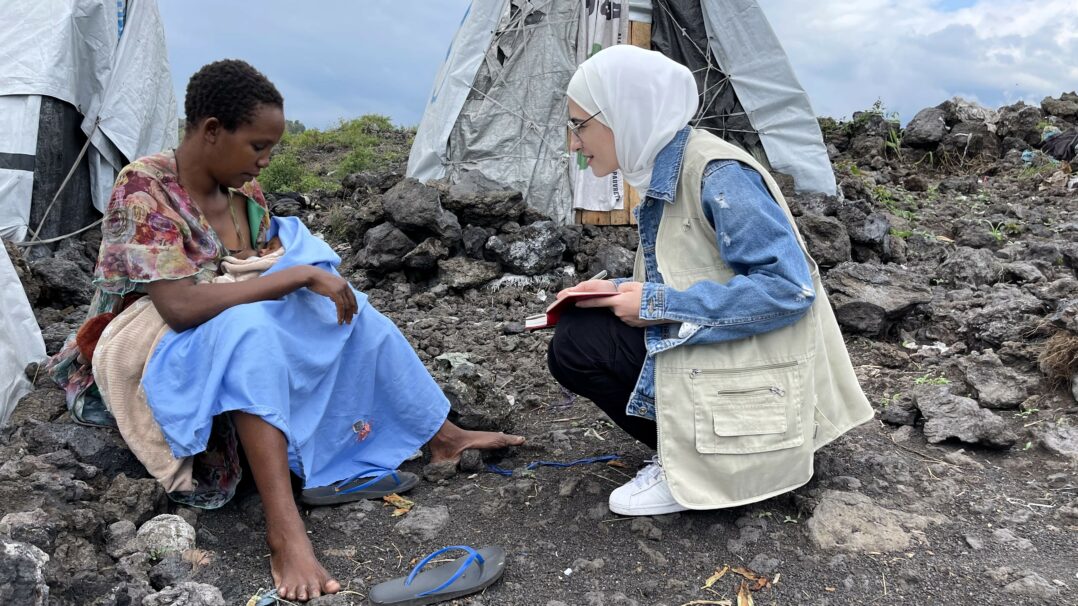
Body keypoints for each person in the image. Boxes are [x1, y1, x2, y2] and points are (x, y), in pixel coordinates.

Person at [46, 59, 523, 602]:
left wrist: (302, 276)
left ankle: (441, 436)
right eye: (257, 146)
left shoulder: (246, 196)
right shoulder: (146, 188)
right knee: (252, 329)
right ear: (210, 131)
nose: (266, 161)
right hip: (151, 330)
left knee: (351, 308)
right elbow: (178, 306)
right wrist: (291, 277)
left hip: (231, 312)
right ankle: (285, 530)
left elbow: (259, 270)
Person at [547, 46, 872, 517]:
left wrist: (658, 304)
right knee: (578, 337)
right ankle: (687, 453)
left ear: (626, 111)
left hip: (766, 374)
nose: (573, 142)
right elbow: (692, 272)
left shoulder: (717, 174)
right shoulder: (667, 170)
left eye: (580, 125)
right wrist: (616, 292)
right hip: (732, 353)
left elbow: (787, 289)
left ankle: (711, 466)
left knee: (582, 344)